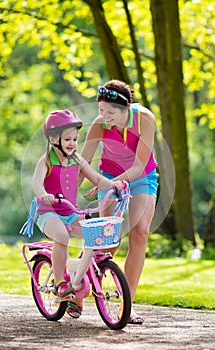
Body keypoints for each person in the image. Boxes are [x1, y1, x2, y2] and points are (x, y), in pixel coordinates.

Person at [81, 80, 159, 324]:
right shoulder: (98, 125)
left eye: (111, 112)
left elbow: (138, 166)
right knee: (108, 240)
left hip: (142, 177)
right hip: (109, 175)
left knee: (140, 232)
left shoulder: (145, 119)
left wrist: (113, 184)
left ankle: (127, 305)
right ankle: (80, 288)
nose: (105, 117)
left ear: (127, 108)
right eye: (101, 111)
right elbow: (82, 163)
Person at [32, 109, 123, 319]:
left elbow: (97, 179)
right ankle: (59, 283)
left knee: (94, 235)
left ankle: (77, 276)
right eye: (67, 139)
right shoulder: (46, 161)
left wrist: (115, 185)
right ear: (53, 139)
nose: (72, 143)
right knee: (62, 236)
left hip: (71, 212)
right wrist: (44, 195)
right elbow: (37, 184)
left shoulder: (77, 160)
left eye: (75, 138)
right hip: (49, 212)